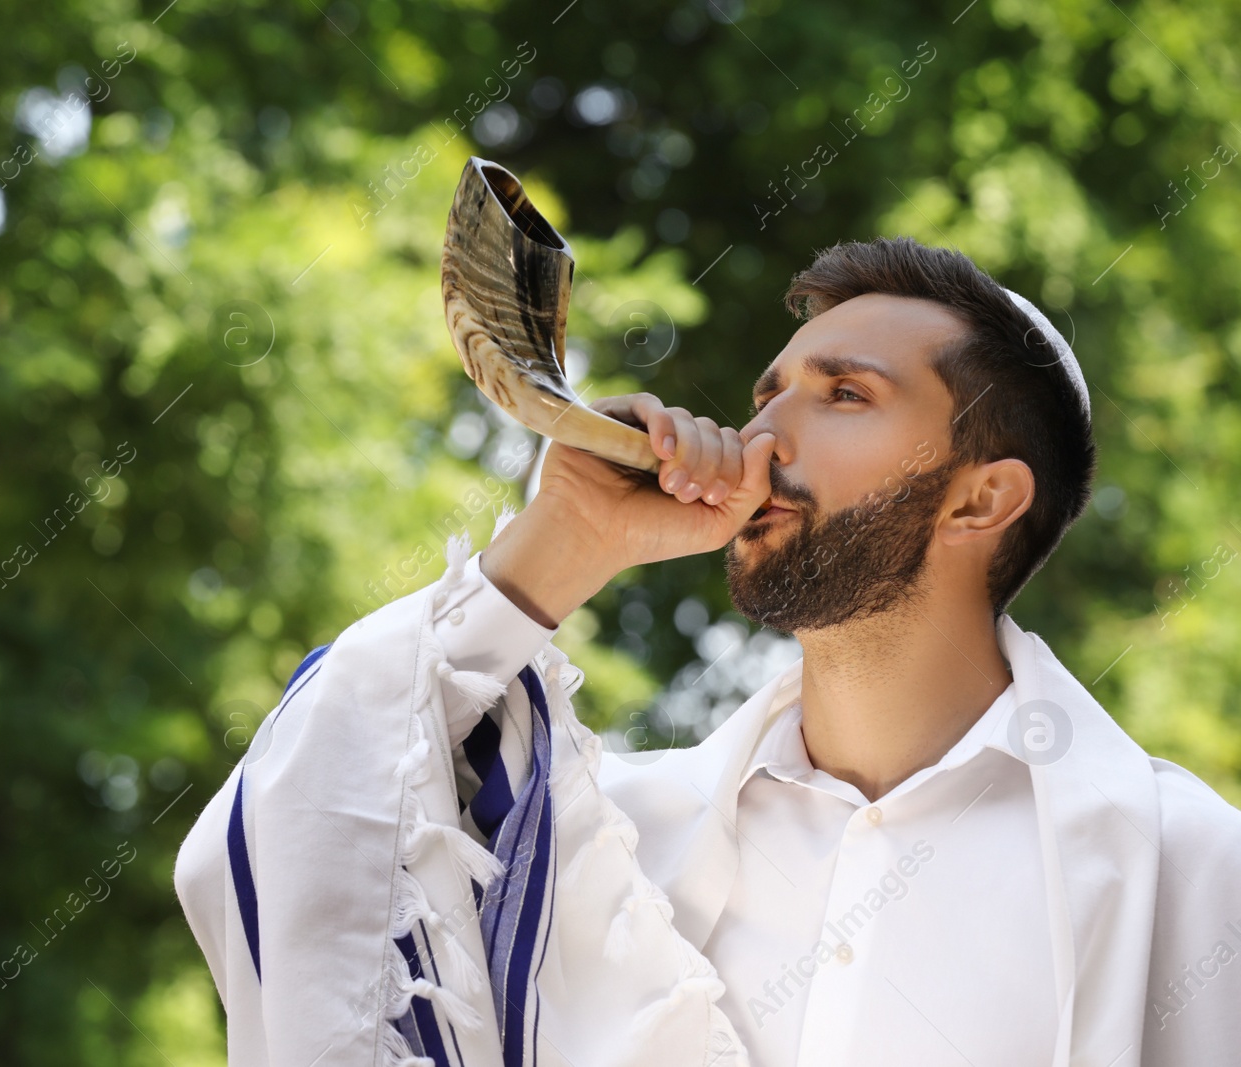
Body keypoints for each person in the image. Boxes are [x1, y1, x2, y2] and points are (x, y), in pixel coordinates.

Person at [175, 236, 1241, 1066]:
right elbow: (297, 830)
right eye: (765, 394)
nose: (766, 436)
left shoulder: (1179, 867)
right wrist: (564, 544)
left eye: (844, 394)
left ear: (981, 496)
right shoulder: (607, 850)